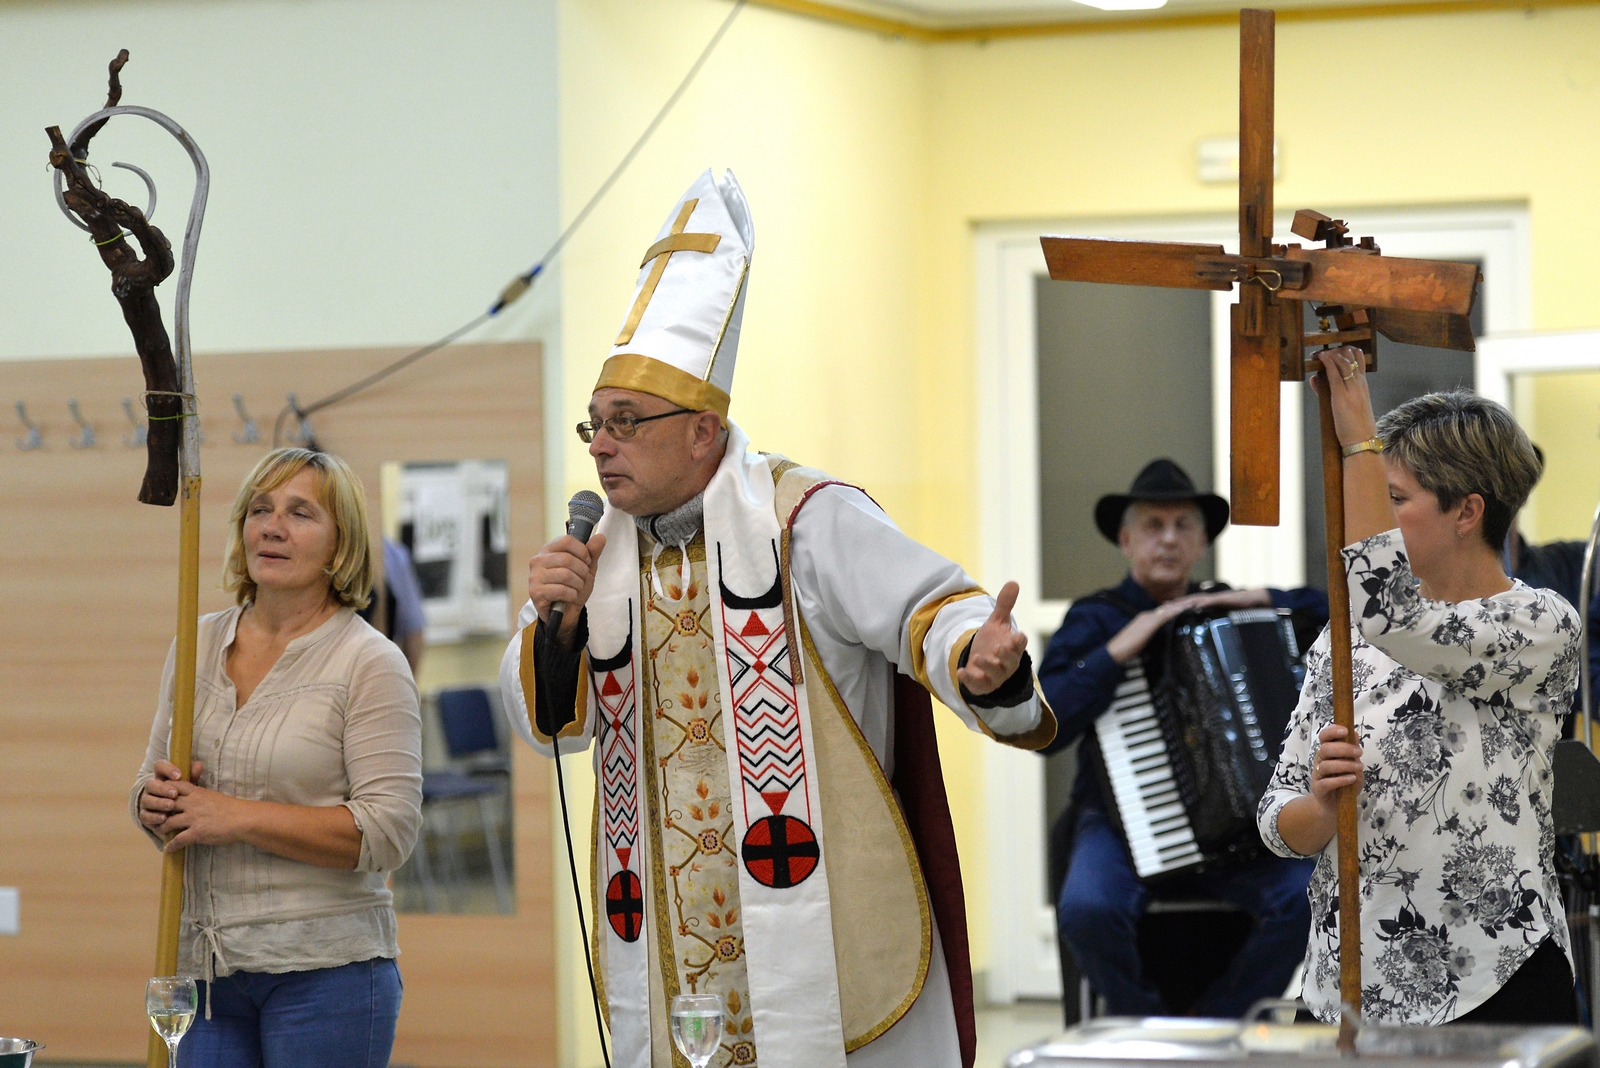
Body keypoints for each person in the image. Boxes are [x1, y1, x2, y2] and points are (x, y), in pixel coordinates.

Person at [499, 169, 1054, 1068]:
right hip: (668, 943)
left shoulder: (805, 517)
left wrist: (977, 658)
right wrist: (552, 629)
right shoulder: (595, 556)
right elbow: (553, 726)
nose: (600, 444)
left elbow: (932, 608)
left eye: (626, 422)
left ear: (703, 431)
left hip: (819, 923)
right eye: (592, 425)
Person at [1258, 349, 1581, 1025]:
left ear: (1467, 512)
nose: (1368, 521)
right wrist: (1319, 809)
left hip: (1494, 981)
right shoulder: (1341, 639)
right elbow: (1278, 822)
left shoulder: (1540, 623)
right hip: (1345, 989)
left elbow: (1396, 617)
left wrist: (1357, 441)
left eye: (1393, 499)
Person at [132, 447, 423, 1067]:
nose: (272, 526)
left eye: (300, 513)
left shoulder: (369, 662)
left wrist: (230, 815)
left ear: (339, 542)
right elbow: (153, 784)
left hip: (328, 973)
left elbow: (389, 832)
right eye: (259, 509)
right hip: (202, 971)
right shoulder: (198, 641)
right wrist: (152, 803)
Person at [1038, 458, 1328, 1017]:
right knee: (1087, 908)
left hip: (1232, 834)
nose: (1168, 539)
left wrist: (1261, 597)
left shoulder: (1223, 607)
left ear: (1201, 542)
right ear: (1125, 540)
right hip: (1116, 824)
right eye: (1153, 525)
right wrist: (1123, 647)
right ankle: (1145, 1026)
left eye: (1183, 527)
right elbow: (1048, 724)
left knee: (1307, 895)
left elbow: (1339, 615)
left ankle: (1210, 1030)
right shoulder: (1097, 619)